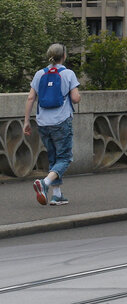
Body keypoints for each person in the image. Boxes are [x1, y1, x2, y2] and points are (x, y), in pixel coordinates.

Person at [21, 44, 82, 206]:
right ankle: (45, 183)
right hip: (61, 121)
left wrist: (26, 121)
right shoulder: (68, 74)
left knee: (54, 157)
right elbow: (75, 99)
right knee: (65, 158)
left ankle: (57, 195)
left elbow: (30, 98)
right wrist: (77, 94)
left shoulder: (40, 74)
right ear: (64, 56)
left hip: (43, 123)